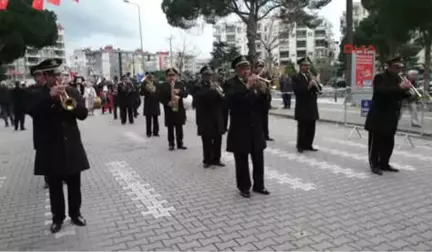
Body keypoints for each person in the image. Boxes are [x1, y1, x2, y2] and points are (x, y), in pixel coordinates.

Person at [25, 58, 89, 233]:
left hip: (71, 145)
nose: (57, 78)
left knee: (75, 184)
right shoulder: (36, 93)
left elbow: (83, 114)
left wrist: (71, 105)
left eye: (58, 74)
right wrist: (50, 97)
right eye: (53, 75)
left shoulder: (72, 91)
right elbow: (32, 111)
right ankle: (58, 218)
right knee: (55, 187)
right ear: (45, 77)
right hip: (50, 147)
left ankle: (75, 214)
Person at [225, 55, 270, 198]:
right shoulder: (230, 84)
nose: (246, 71)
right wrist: (247, 87)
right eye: (243, 69)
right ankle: (244, 187)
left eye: (248, 68)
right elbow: (230, 103)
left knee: (258, 159)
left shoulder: (255, 83)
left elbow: (263, 108)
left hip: (255, 128)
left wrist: (264, 93)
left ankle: (259, 185)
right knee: (242, 161)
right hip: (240, 129)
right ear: (237, 70)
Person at [365, 56, 412, 175]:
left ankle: (384, 163)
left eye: (401, 68)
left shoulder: (398, 79)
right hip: (378, 115)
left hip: (392, 116)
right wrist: (399, 87)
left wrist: (408, 90)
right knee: (376, 142)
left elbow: (401, 95)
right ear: (390, 67)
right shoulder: (380, 77)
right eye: (397, 67)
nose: (399, 70)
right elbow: (381, 91)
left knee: (388, 142)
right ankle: (374, 164)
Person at [194, 66, 226, 168]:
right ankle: (207, 160)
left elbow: (222, 100)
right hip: (205, 117)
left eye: (211, 75)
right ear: (203, 76)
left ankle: (217, 159)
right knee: (207, 140)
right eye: (207, 75)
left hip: (216, 116)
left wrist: (220, 93)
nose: (209, 77)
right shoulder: (198, 86)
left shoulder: (215, 85)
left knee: (218, 139)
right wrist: (212, 91)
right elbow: (200, 98)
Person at [292, 57, 321, 153]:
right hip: (302, 106)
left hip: (312, 106)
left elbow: (318, 89)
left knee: (311, 127)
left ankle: (309, 145)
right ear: (300, 66)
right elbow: (298, 91)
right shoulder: (296, 77)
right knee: (302, 127)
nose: (307, 67)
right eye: (304, 65)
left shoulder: (310, 76)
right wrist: (309, 85)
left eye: (308, 65)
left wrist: (316, 82)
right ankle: (300, 145)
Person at [159, 68, 188, 150]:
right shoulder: (163, 85)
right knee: (170, 127)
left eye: (173, 75)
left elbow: (186, 94)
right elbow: (160, 97)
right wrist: (167, 103)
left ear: (176, 76)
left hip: (179, 109)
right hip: (169, 109)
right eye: (169, 76)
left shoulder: (180, 84)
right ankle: (171, 143)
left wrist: (179, 92)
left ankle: (180, 143)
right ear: (166, 77)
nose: (171, 77)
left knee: (179, 126)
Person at [254, 60, 274, 141]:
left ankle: (266, 135)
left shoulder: (265, 76)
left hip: (265, 100)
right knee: (258, 120)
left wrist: (269, 77)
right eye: (259, 66)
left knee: (265, 120)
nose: (261, 68)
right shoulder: (255, 76)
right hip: (258, 100)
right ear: (256, 68)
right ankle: (259, 135)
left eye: (262, 66)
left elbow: (271, 82)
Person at [140, 72, 160, 137]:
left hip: (155, 102)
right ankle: (148, 132)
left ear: (153, 77)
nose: (150, 77)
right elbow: (141, 93)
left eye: (151, 76)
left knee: (155, 118)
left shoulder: (156, 83)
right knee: (148, 119)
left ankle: (156, 132)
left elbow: (159, 92)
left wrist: (154, 91)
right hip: (148, 102)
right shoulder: (144, 83)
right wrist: (146, 89)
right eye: (149, 76)